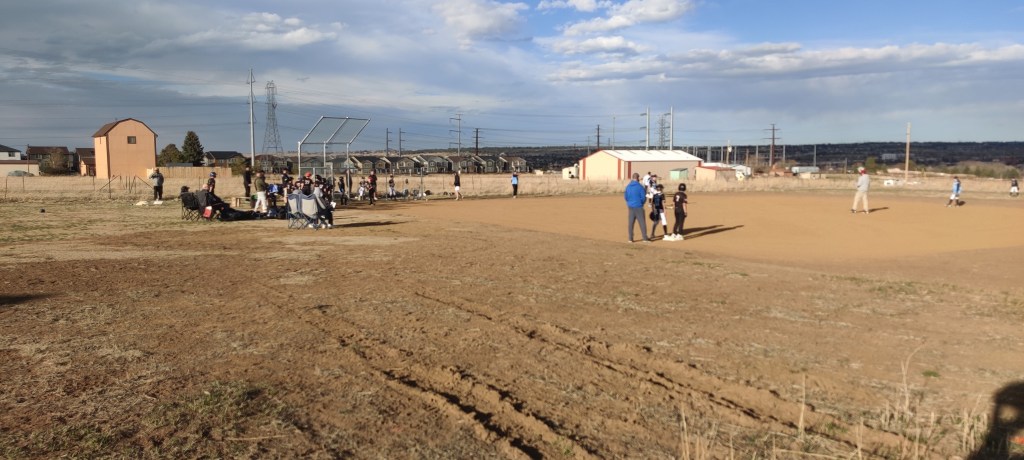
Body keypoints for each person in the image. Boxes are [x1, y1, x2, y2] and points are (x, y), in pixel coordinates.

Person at [624, 172, 649, 243]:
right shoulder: (640, 187)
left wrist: (630, 202)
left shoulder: (628, 187)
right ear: (638, 178)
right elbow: (643, 198)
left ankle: (630, 238)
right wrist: (641, 203)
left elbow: (626, 197)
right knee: (642, 223)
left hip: (631, 207)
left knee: (631, 223)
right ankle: (644, 238)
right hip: (639, 207)